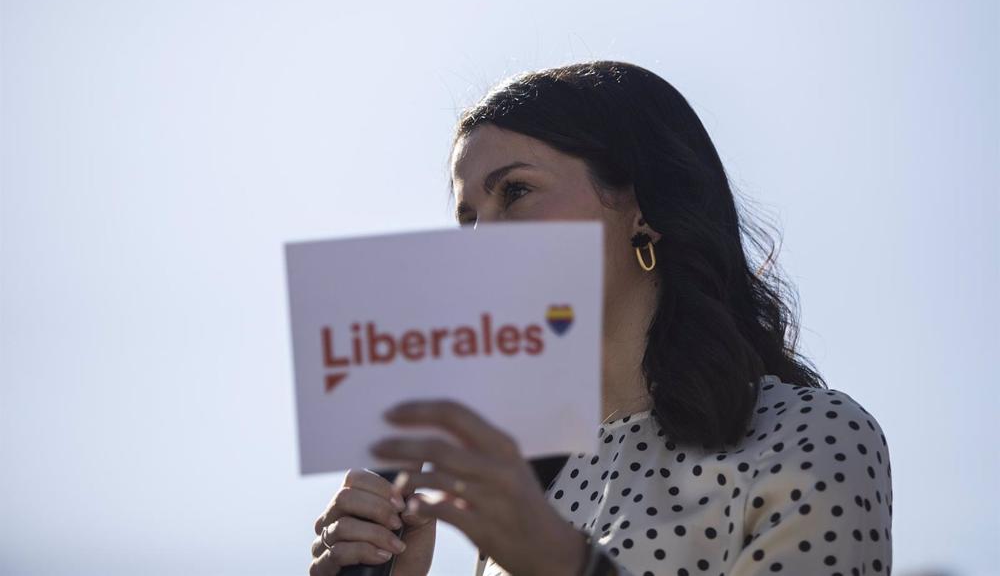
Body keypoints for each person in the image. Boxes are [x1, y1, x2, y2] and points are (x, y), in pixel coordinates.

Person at [308, 61, 893, 576]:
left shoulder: (811, 435)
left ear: (643, 210)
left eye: (515, 191)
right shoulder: (534, 498)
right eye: (468, 219)